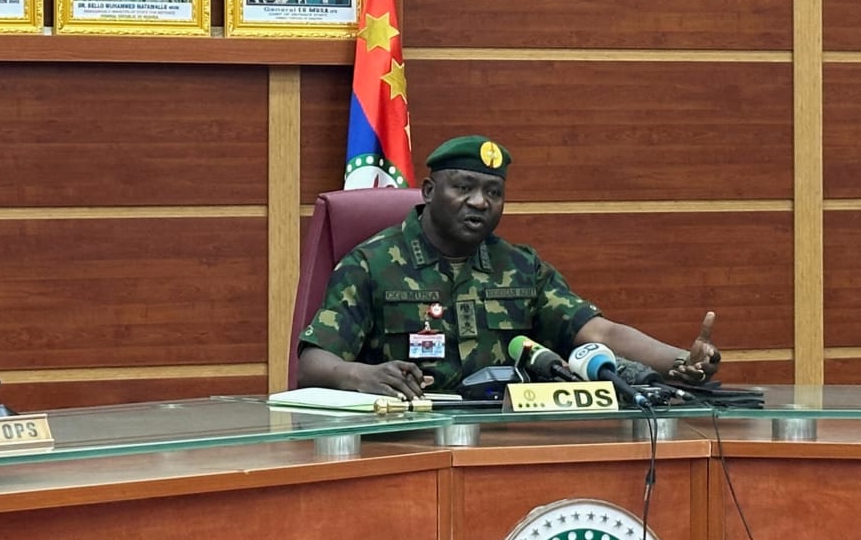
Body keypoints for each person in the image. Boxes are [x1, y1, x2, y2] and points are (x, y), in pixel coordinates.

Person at [297, 135, 721, 397]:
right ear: (428, 191)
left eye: (494, 192)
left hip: (504, 436)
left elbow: (600, 332)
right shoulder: (371, 263)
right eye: (464, 187)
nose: (480, 202)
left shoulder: (519, 266)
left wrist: (680, 360)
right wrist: (364, 376)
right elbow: (313, 364)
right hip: (404, 440)